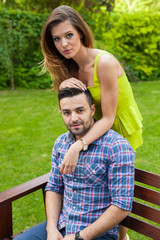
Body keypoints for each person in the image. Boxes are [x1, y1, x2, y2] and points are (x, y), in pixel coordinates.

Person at [40, 6, 142, 239]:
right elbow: (75, 106)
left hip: (117, 124)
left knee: (117, 187)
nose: (63, 43)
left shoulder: (103, 62)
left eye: (69, 35)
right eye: (56, 39)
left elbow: (108, 117)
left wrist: (78, 145)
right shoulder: (69, 66)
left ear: (81, 33)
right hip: (95, 122)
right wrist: (64, 85)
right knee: (92, 179)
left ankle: (120, 236)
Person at [14, 88, 135, 240]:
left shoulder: (116, 146)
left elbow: (122, 206)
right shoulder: (61, 143)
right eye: (67, 113)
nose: (73, 118)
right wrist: (51, 228)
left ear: (92, 110)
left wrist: (78, 237)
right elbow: (54, 187)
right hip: (63, 224)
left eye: (80, 110)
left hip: (97, 233)